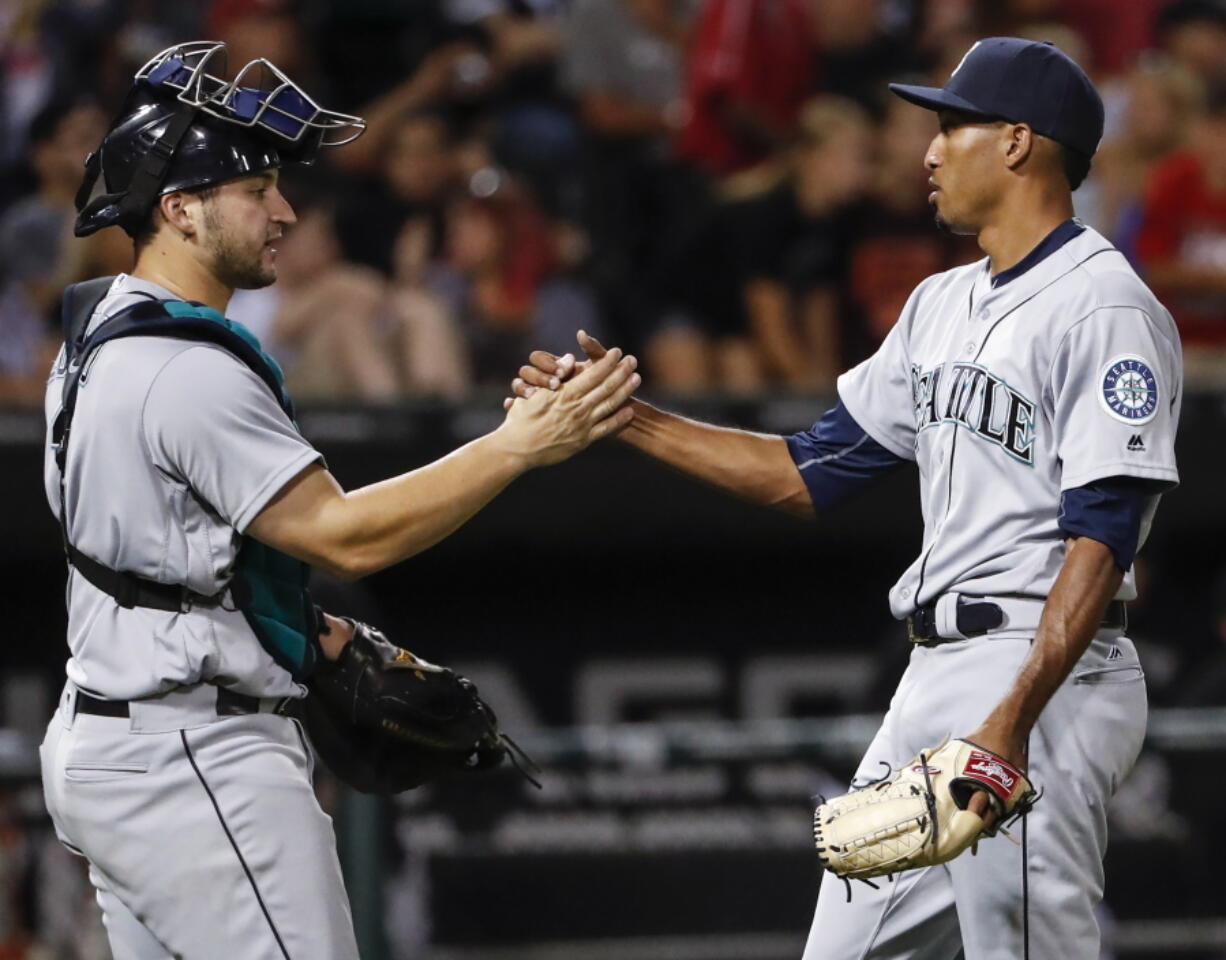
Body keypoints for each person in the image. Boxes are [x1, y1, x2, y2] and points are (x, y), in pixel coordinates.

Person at [514, 37, 1181, 959]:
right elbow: (808, 472)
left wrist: (1010, 721)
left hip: (1043, 674)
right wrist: (628, 421)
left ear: (1021, 141)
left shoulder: (1105, 306)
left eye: (953, 127)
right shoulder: (940, 303)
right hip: (937, 673)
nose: (931, 151)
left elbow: (1102, 539)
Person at [38, 41, 639, 958]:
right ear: (179, 210)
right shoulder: (183, 369)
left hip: (116, 742)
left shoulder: (95, 338)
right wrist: (519, 445)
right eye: (256, 190)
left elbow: (170, 558)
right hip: (194, 758)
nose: (283, 211)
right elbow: (346, 537)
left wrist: (296, 626)